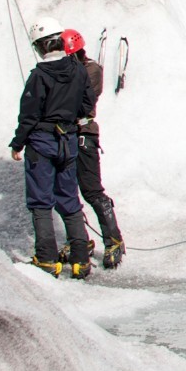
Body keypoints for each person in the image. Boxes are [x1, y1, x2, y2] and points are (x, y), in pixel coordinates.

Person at [9, 16, 95, 277]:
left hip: (42, 142)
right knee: (69, 198)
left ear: (41, 47)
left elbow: (29, 115)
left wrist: (17, 143)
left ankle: (47, 259)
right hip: (68, 140)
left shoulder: (39, 76)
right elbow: (87, 103)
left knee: (40, 201)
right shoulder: (78, 69)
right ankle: (81, 260)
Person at [62, 29, 125, 269]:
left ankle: (113, 238)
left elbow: (82, 98)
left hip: (83, 135)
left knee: (91, 191)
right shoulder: (66, 70)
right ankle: (79, 239)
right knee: (65, 192)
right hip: (64, 136)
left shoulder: (91, 70)